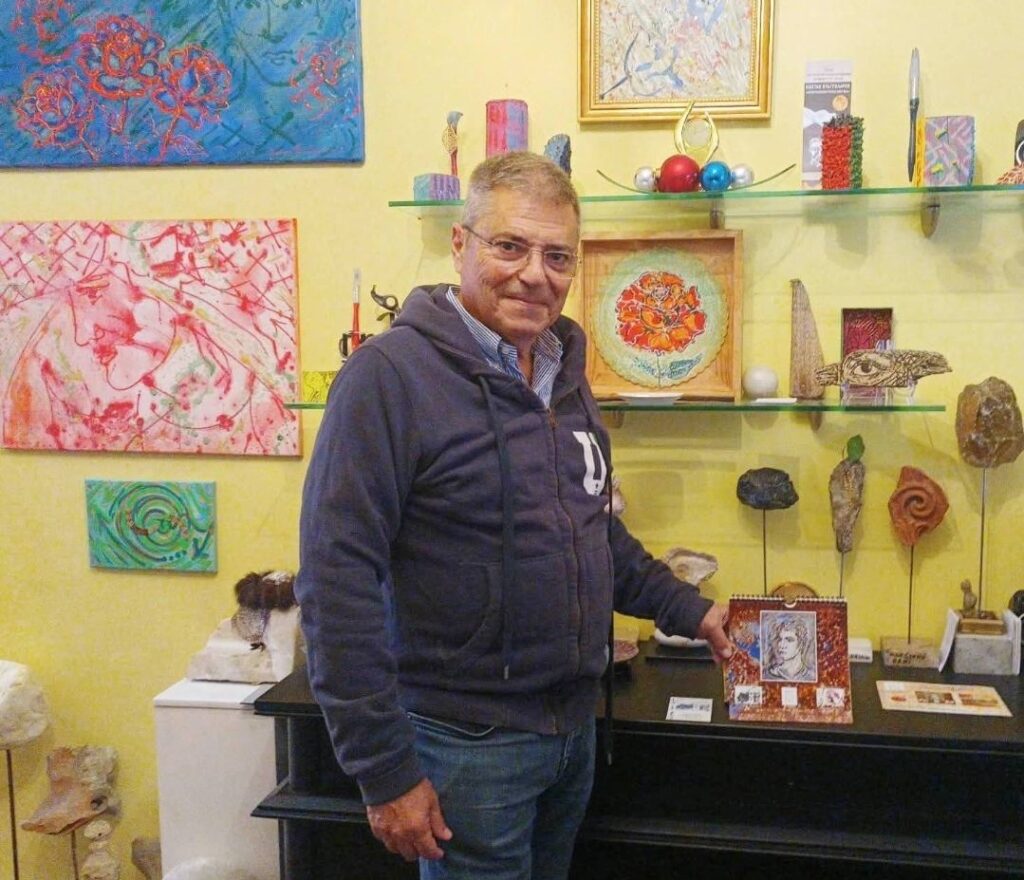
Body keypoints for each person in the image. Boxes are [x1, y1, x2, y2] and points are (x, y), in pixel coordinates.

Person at [296, 151, 733, 880]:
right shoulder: (387, 378)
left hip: (571, 732)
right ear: (460, 244)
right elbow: (335, 581)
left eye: (557, 256)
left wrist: (691, 609)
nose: (535, 274)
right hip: (464, 745)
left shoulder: (563, 372)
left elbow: (590, 529)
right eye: (510, 246)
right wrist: (383, 771)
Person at [762, 614, 816, 682]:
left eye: (789, 640)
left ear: (801, 644)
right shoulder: (768, 675)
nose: (781, 645)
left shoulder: (811, 676)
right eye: (780, 639)